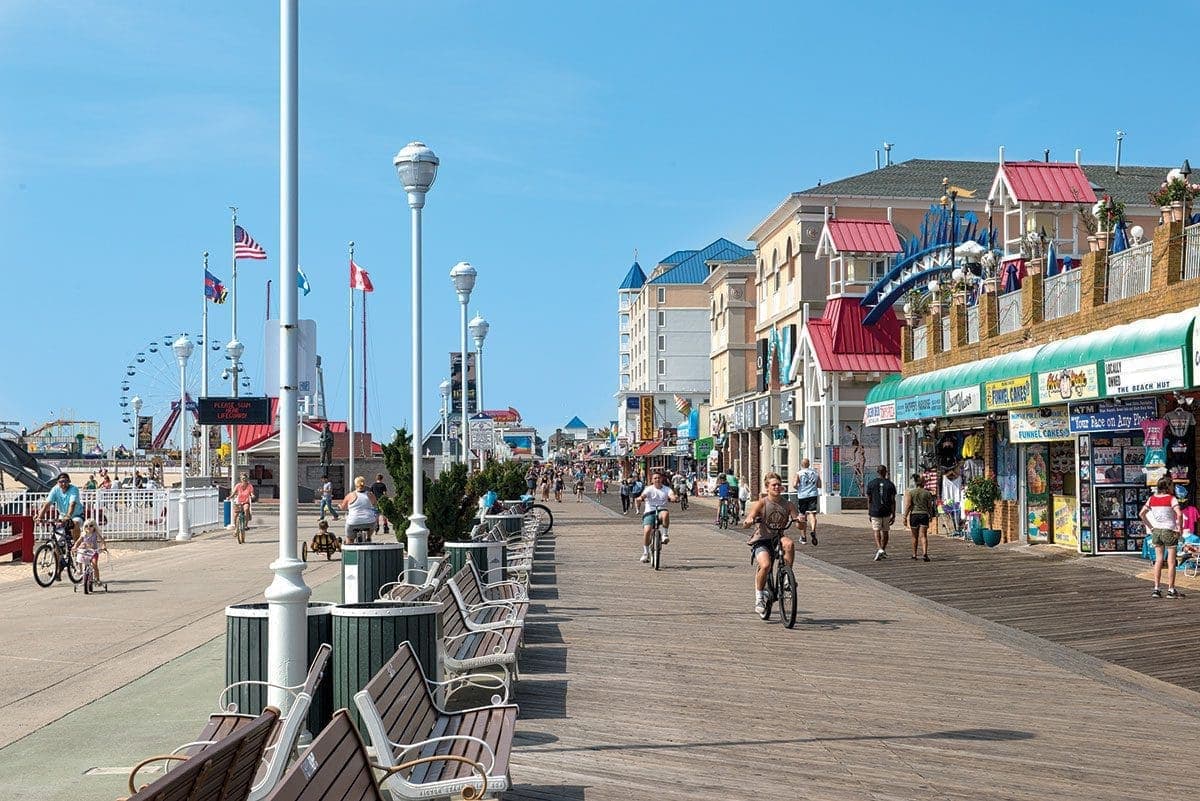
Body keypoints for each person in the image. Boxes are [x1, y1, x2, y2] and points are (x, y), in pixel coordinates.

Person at [741, 472, 799, 616]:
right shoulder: (762, 503)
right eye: (774, 485)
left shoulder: (788, 504)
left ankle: (786, 577)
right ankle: (759, 596)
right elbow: (749, 518)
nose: (777, 487)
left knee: (789, 544)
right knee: (766, 565)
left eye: (779, 484)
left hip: (778, 537)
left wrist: (801, 521)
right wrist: (749, 521)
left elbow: (798, 523)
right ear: (767, 488)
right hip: (761, 539)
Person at [1140, 476, 1184, 598]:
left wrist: (1151, 526)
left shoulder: (1152, 499)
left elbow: (1141, 514)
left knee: (1158, 560)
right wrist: (1179, 528)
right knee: (1171, 561)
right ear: (1168, 486)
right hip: (1169, 530)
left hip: (1156, 531)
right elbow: (1179, 514)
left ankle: (1156, 588)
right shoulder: (1171, 499)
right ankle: (1171, 589)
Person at [637, 470, 677, 563]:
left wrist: (673, 498)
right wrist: (640, 498)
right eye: (655, 478)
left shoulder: (667, 489)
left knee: (666, 513)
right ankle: (646, 553)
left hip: (661, 511)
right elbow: (643, 495)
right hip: (649, 512)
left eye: (659, 478)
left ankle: (665, 534)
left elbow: (671, 495)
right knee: (647, 530)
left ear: (662, 479)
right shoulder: (649, 489)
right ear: (652, 480)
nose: (657, 480)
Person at [39, 473, 85, 543]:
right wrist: (40, 516)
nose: (63, 484)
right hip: (62, 516)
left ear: (69, 481)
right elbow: (47, 504)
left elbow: (72, 504)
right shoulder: (55, 490)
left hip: (76, 515)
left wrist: (68, 516)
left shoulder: (74, 489)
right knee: (57, 540)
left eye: (65, 481)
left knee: (74, 523)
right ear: (57, 482)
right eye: (61, 482)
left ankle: (76, 546)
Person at [866, 465, 897, 561]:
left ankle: (880, 549)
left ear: (877, 472)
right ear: (885, 472)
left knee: (876, 530)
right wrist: (894, 513)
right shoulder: (890, 484)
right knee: (886, 531)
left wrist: (869, 511)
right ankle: (882, 549)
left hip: (875, 510)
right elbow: (893, 500)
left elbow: (869, 499)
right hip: (886, 511)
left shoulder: (871, 484)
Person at [902, 472, 936, 562]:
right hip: (924, 514)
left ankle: (914, 554)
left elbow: (909, 505)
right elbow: (929, 506)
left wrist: (905, 517)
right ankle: (925, 553)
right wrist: (931, 515)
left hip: (914, 515)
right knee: (924, 536)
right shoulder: (927, 493)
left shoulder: (911, 492)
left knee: (914, 536)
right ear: (923, 483)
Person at [339, 475, 378, 544]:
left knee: (349, 539)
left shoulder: (350, 495)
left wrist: (340, 506)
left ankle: (350, 548)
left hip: (353, 521)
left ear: (355, 484)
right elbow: (375, 504)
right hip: (369, 521)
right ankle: (368, 537)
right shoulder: (370, 494)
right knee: (372, 523)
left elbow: (343, 507)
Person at [793, 458, 821, 545]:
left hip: (802, 496)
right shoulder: (815, 473)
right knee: (812, 514)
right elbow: (819, 485)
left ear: (801, 465)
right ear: (809, 464)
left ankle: (803, 537)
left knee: (802, 516)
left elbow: (794, 485)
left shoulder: (799, 473)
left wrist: (800, 489)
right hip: (813, 495)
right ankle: (813, 530)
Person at [72, 518, 106, 583]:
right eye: (86, 526)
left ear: (94, 527)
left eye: (91, 526)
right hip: (84, 551)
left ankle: (97, 579)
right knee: (79, 557)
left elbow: (102, 541)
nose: (88, 527)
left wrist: (103, 546)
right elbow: (78, 542)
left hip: (93, 551)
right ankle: (80, 570)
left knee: (94, 564)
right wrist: (75, 546)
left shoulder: (95, 534)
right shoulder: (83, 534)